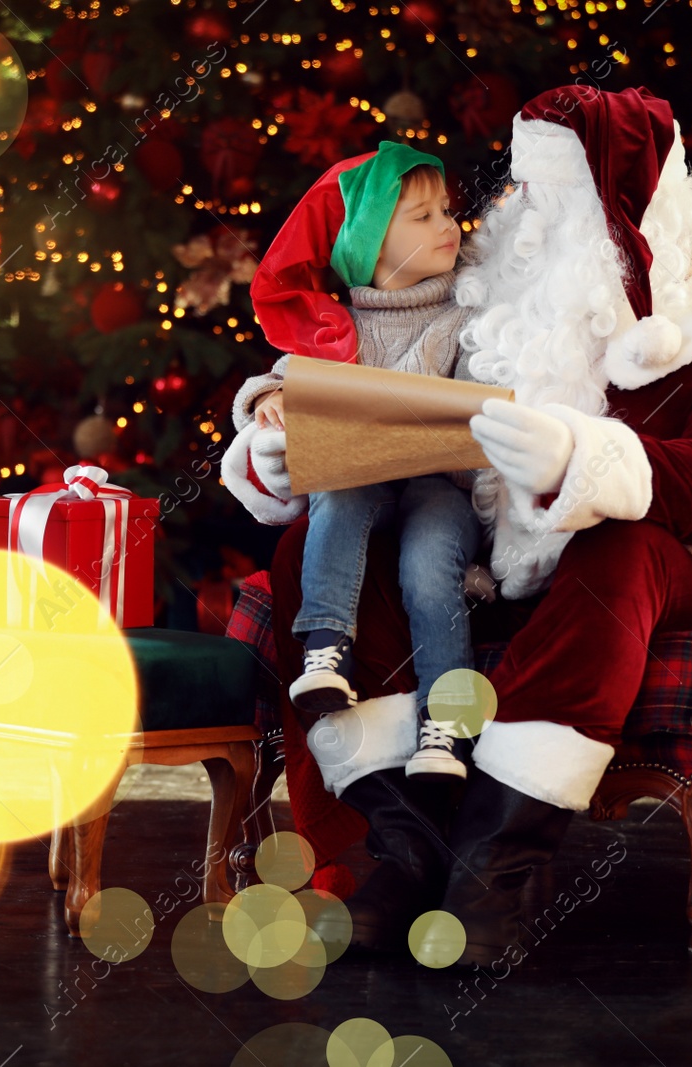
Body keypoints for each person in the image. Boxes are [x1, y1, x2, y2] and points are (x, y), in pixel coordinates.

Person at [233, 85, 692, 964]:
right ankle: (403, 849)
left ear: (622, 206)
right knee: (307, 547)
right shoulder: (488, 305)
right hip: (480, 556)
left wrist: (581, 462)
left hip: (671, 567)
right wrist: (287, 453)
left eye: (554, 198)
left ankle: (496, 866)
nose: (520, 215)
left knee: (617, 550)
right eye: (523, 191)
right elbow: (390, 411)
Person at [222, 141, 486, 783]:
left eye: (447, 211)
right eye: (422, 218)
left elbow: (489, 395)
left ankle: (448, 728)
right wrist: (271, 397)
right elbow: (273, 381)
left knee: (429, 562)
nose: (448, 226)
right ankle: (325, 653)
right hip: (363, 480)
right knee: (337, 496)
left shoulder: (466, 314)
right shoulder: (336, 327)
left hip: (436, 486)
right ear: (368, 244)